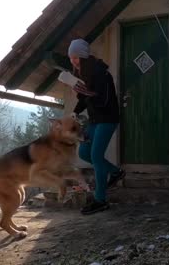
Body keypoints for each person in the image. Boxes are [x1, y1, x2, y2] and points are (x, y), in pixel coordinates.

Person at [67, 38, 125, 215]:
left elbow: (103, 100)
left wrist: (85, 92)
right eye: (71, 58)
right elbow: (87, 99)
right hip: (95, 120)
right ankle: (115, 172)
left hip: (107, 118)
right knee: (84, 152)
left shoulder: (101, 73)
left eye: (76, 57)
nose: (73, 61)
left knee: (96, 156)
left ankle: (101, 200)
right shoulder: (84, 74)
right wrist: (76, 110)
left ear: (84, 56)